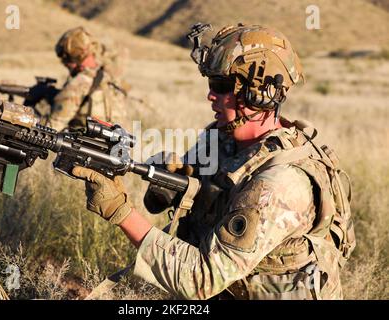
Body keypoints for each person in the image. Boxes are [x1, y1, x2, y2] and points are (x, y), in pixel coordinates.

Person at [72, 23, 356, 300]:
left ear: (260, 92)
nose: (210, 94)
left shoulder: (280, 183)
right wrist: (177, 184)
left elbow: (202, 280)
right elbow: (165, 203)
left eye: (221, 85)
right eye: (211, 83)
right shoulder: (221, 138)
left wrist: (120, 211)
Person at [50, 26, 127, 131]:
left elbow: (52, 127)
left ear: (74, 57)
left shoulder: (80, 83)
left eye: (65, 58)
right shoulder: (110, 78)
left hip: (82, 146)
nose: (64, 64)